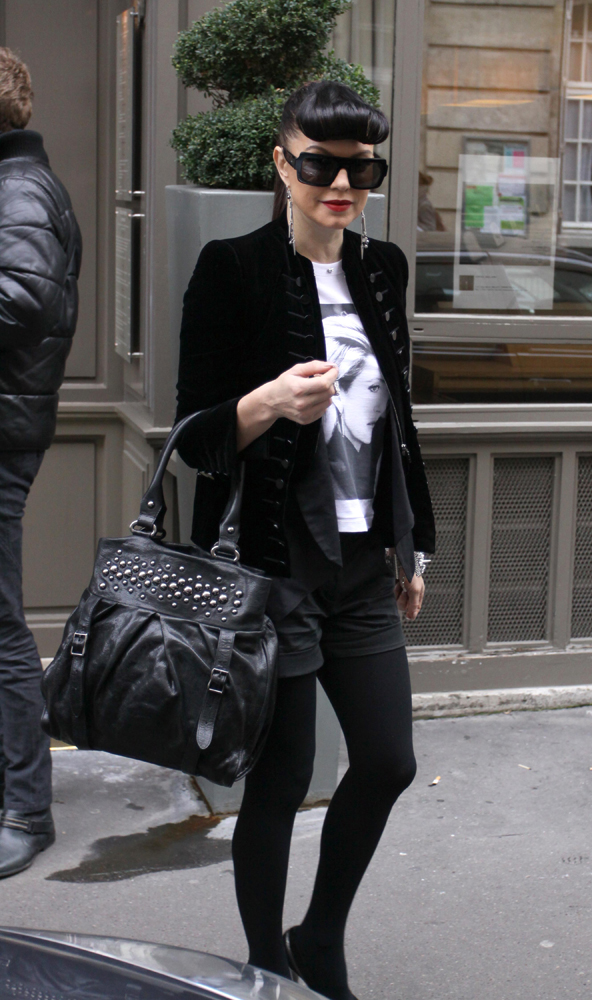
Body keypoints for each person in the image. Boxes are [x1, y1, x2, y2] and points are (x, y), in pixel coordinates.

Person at [176, 81, 435, 1000]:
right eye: (321, 165)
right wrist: (267, 403)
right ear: (281, 164)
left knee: (389, 761)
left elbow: (398, 422)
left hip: (361, 563)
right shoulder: (232, 269)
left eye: (363, 169)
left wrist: (410, 545)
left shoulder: (384, 267)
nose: (342, 186)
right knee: (283, 779)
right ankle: (263, 964)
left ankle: (318, 939)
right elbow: (196, 438)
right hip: (271, 566)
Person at [0, 47, 82, 878]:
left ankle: (27, 808)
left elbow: (22, 300)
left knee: (0, 630)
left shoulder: (19, 191)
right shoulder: (18, 184)